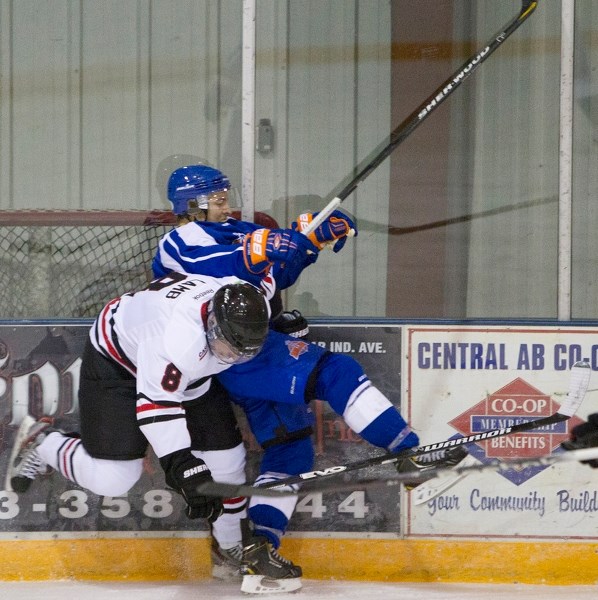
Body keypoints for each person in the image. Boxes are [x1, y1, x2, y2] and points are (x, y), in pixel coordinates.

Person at [152, 163, 467, 595]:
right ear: (194, 204)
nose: (227, 204)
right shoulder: (179, 241)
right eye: (218, 199)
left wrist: (309, 240)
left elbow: (270, 274)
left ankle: (259, 552)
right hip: (233, 352)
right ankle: (407, 452)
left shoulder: (234, 230)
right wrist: (267, 243)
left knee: (291, 452)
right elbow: (224, 264)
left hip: (251, 348)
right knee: (336, 371)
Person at [6, 274, 273, 533]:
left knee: (227, 460)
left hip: (182, 367)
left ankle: (231, 545)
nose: (232, 357)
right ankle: (45, 443)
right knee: (113, 478)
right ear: (212, 322)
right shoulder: (178, 339)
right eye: (228, 348)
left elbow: (268, 284)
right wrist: (182, 464)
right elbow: (158, 408)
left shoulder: (246, 300)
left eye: (242, 353)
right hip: (119, 363)